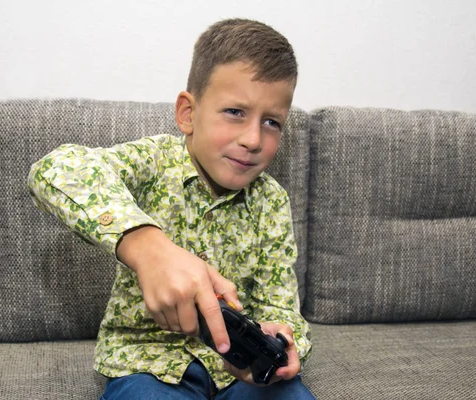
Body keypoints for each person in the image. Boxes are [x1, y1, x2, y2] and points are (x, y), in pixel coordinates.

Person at [28, 18, 314, 400]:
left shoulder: (272, 200)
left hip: (239, 371)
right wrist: (147, 247)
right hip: (150, 364)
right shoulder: (154, 161)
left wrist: (281, 337)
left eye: (272, 122)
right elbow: (55, 170)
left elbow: (281, 304)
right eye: (234, 112)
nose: (252, 139)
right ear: (187, 114)